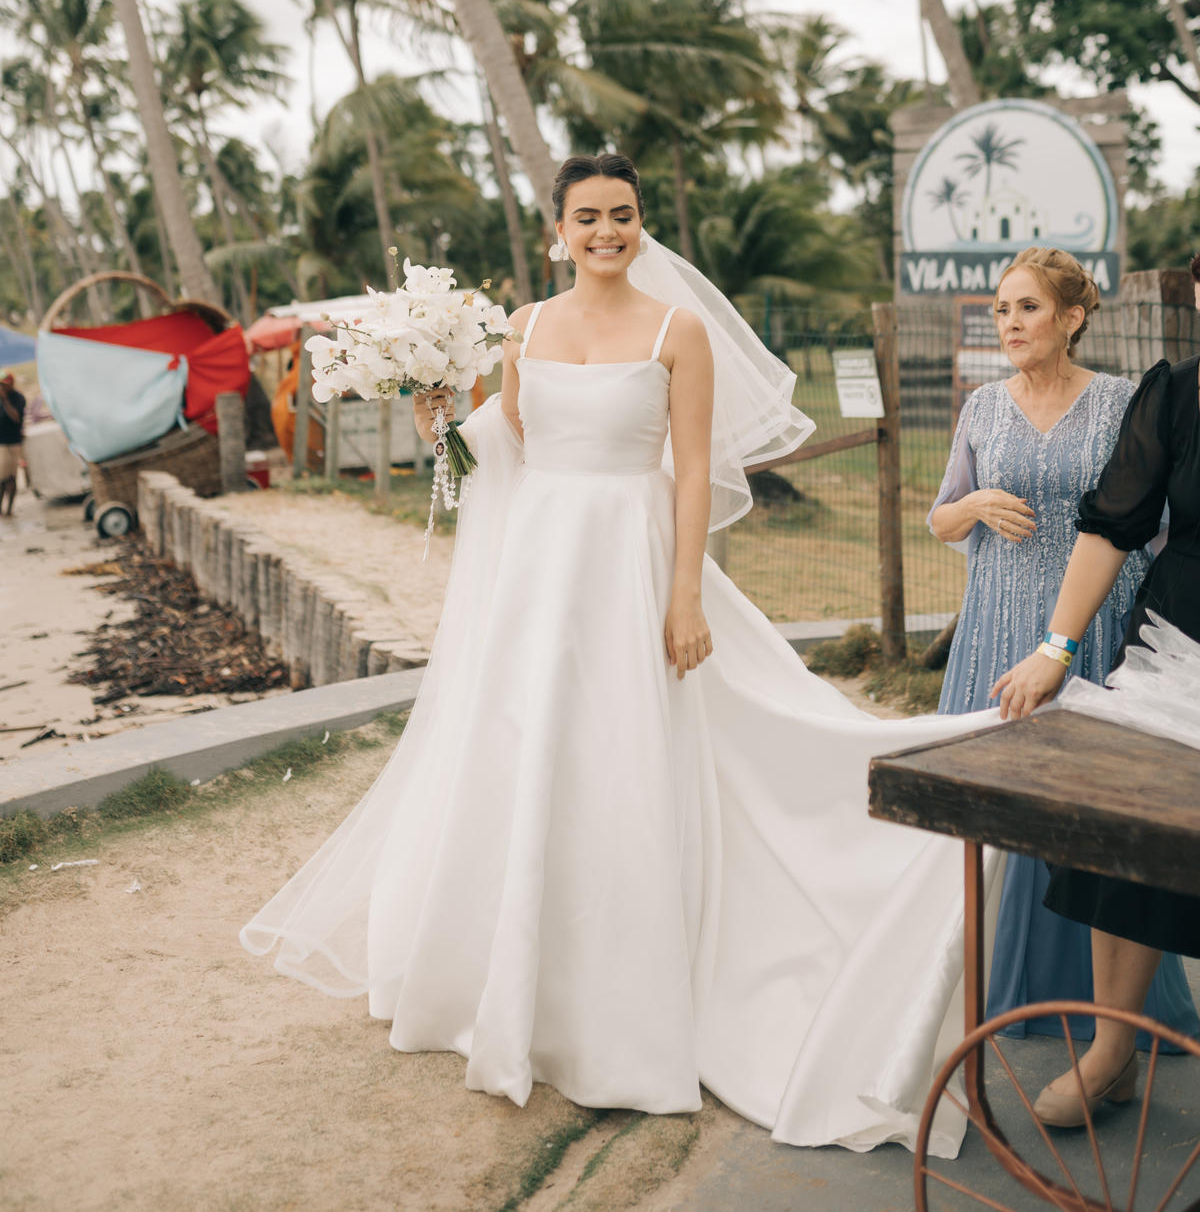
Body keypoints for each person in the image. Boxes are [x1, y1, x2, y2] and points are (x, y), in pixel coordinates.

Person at [242, 154, 1006, 1157]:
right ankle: (522, 988)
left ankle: (627, 1009)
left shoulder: (673, 328)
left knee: (626, 763)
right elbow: (502, 441)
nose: (608, 230)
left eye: (624, 214)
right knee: (530, 755)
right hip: (539, 575)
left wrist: (684, 591)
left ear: (640, 224)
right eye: (588, 216)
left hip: (633, 564)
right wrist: (441, 425)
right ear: (556, 226)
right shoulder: (524, 326)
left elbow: (692, 473)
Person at [928, 249, 1197, 1050]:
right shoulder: (980, 407)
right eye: (1001, 310)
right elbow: (940, 519)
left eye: (1027, 308)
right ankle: (992, 987)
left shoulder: (1127, 399)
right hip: (1000, 624)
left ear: (1073, 317)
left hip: (1096, 622)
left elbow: (1145, 519)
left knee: (1093, 819)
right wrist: (974, 502)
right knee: (1000, 808)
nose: (1009, 323)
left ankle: (1106, 1018)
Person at [993, 249, 1200, 1127]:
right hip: (1176, 649)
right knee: (1119, 830)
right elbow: (1112, 523)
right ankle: (1112, 1048)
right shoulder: (1176, 394)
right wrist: (1054, 645)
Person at [0, 372, 26, 516]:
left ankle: (8, 509)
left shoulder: (17, 398)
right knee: (2, 479)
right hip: (1, 443)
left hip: (11, 443)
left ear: (11, 383)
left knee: (9, 478)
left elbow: (16, 418)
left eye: (3, 384)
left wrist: (4, 401)